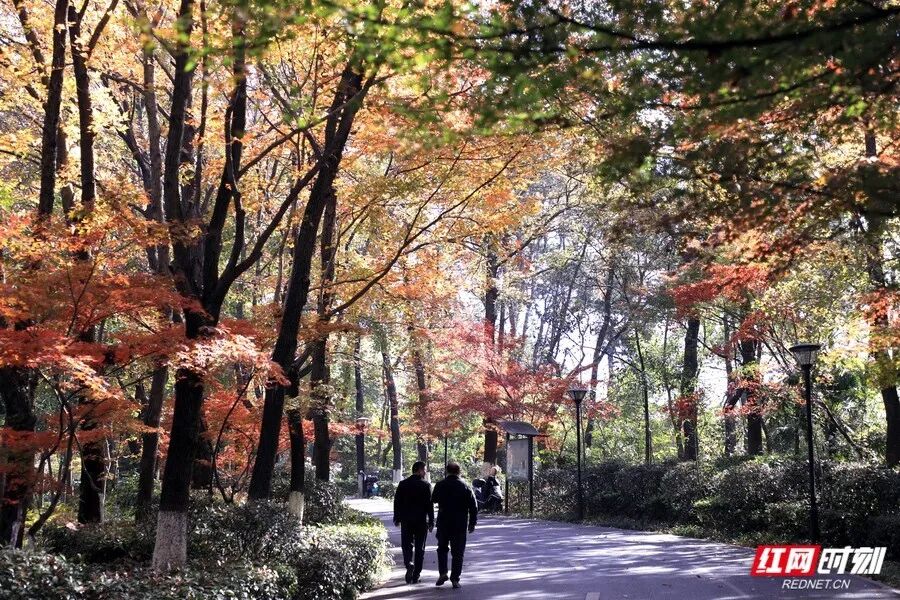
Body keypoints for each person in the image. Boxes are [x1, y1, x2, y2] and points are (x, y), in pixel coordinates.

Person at [431, 462, 478, 589]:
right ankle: (455, 579)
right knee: (458, 553)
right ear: (459, 471)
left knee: (442, 548)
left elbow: (433, 499)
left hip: (443, 522)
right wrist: (472, 523)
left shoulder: (440, 485)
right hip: (459, 524)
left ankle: (443, 573)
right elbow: (473, 507)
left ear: (447, 471)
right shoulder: (465, 486)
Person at [393, 461, 434, 584]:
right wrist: (431, 521)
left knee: (406, 545)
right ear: (419, 470)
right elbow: (429, 505)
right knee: (420, 548)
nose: (425, 472)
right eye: (424, 470)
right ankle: (416, 575)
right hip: (421, 520)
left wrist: (397, 518)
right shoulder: (426, 485)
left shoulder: (403, 484)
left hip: (406, 520)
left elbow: (397, 502)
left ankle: (409, 563)